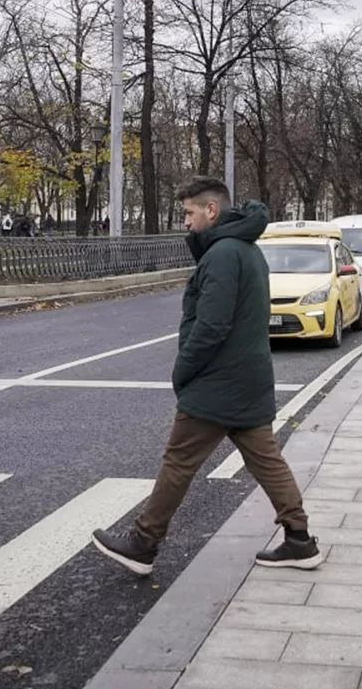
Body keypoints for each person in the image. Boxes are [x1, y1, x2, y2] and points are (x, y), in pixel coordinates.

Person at [92, 176, 320, 575]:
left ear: (210, 211)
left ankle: (143, 543)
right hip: (248, 379)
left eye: (189, 212)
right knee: (267, 460)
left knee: (178, 461)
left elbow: (211, 326)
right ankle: (299, 540)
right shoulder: (247, 251)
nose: (185, 221)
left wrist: (184, 369)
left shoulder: (223, 255)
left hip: (217, 383)